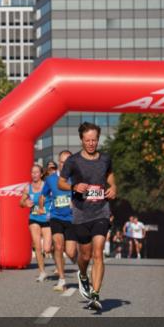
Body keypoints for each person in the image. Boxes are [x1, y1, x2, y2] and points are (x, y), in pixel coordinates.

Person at [59, 122, 116, 311]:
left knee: (98, 251)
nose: (91, 143)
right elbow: (61, 183)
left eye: (94, 140)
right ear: (81, 140)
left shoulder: (105, 159)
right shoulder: (73, 161)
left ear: (98, 139)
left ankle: (95, 294)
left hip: (101, 211)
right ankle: (82, 274)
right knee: (85, 254)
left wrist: (113, 187)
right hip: (81, 213)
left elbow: (110, 176)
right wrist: (73, 187)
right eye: (88, 140)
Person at [41, 150, 77, 291]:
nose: (64, 165)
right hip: (56, 217)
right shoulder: (50, 179)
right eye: (61, 162)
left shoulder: (75, 179)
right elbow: (43, 195)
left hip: (72, 218)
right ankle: (62, 279)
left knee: (71, 252)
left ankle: (81, 266)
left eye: (67, 162)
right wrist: (42, 207)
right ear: (58, 162)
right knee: (57, 245)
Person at [19, 163, 51, 282]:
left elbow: (54, 198)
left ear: (41, 174)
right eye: (32, 172)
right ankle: (42, 272)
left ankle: (52, 253)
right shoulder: (28, 187)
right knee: (37, 246)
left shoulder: (47, 186)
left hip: (47, 218)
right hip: (34, 218)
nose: (34, 175)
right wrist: (25, 203)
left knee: (47, 248)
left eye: (36, 172)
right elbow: (21, 202)